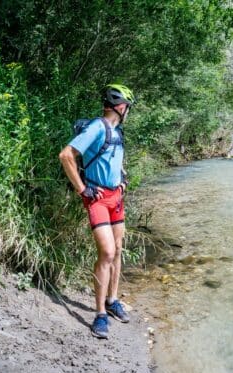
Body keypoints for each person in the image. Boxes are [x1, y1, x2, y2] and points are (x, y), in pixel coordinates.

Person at [59, 84, 135, 339]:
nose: (129, 112)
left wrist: (123, 180)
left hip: (117, 197)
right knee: (107, 252)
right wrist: (82, 190)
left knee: (118, 250)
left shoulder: (118, 131)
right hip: (98, 198)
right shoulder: (96, 127)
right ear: (121, 107)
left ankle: (113, 300)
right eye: (128, 108)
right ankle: (100, 314)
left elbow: (117, 163)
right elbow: (66, 155)